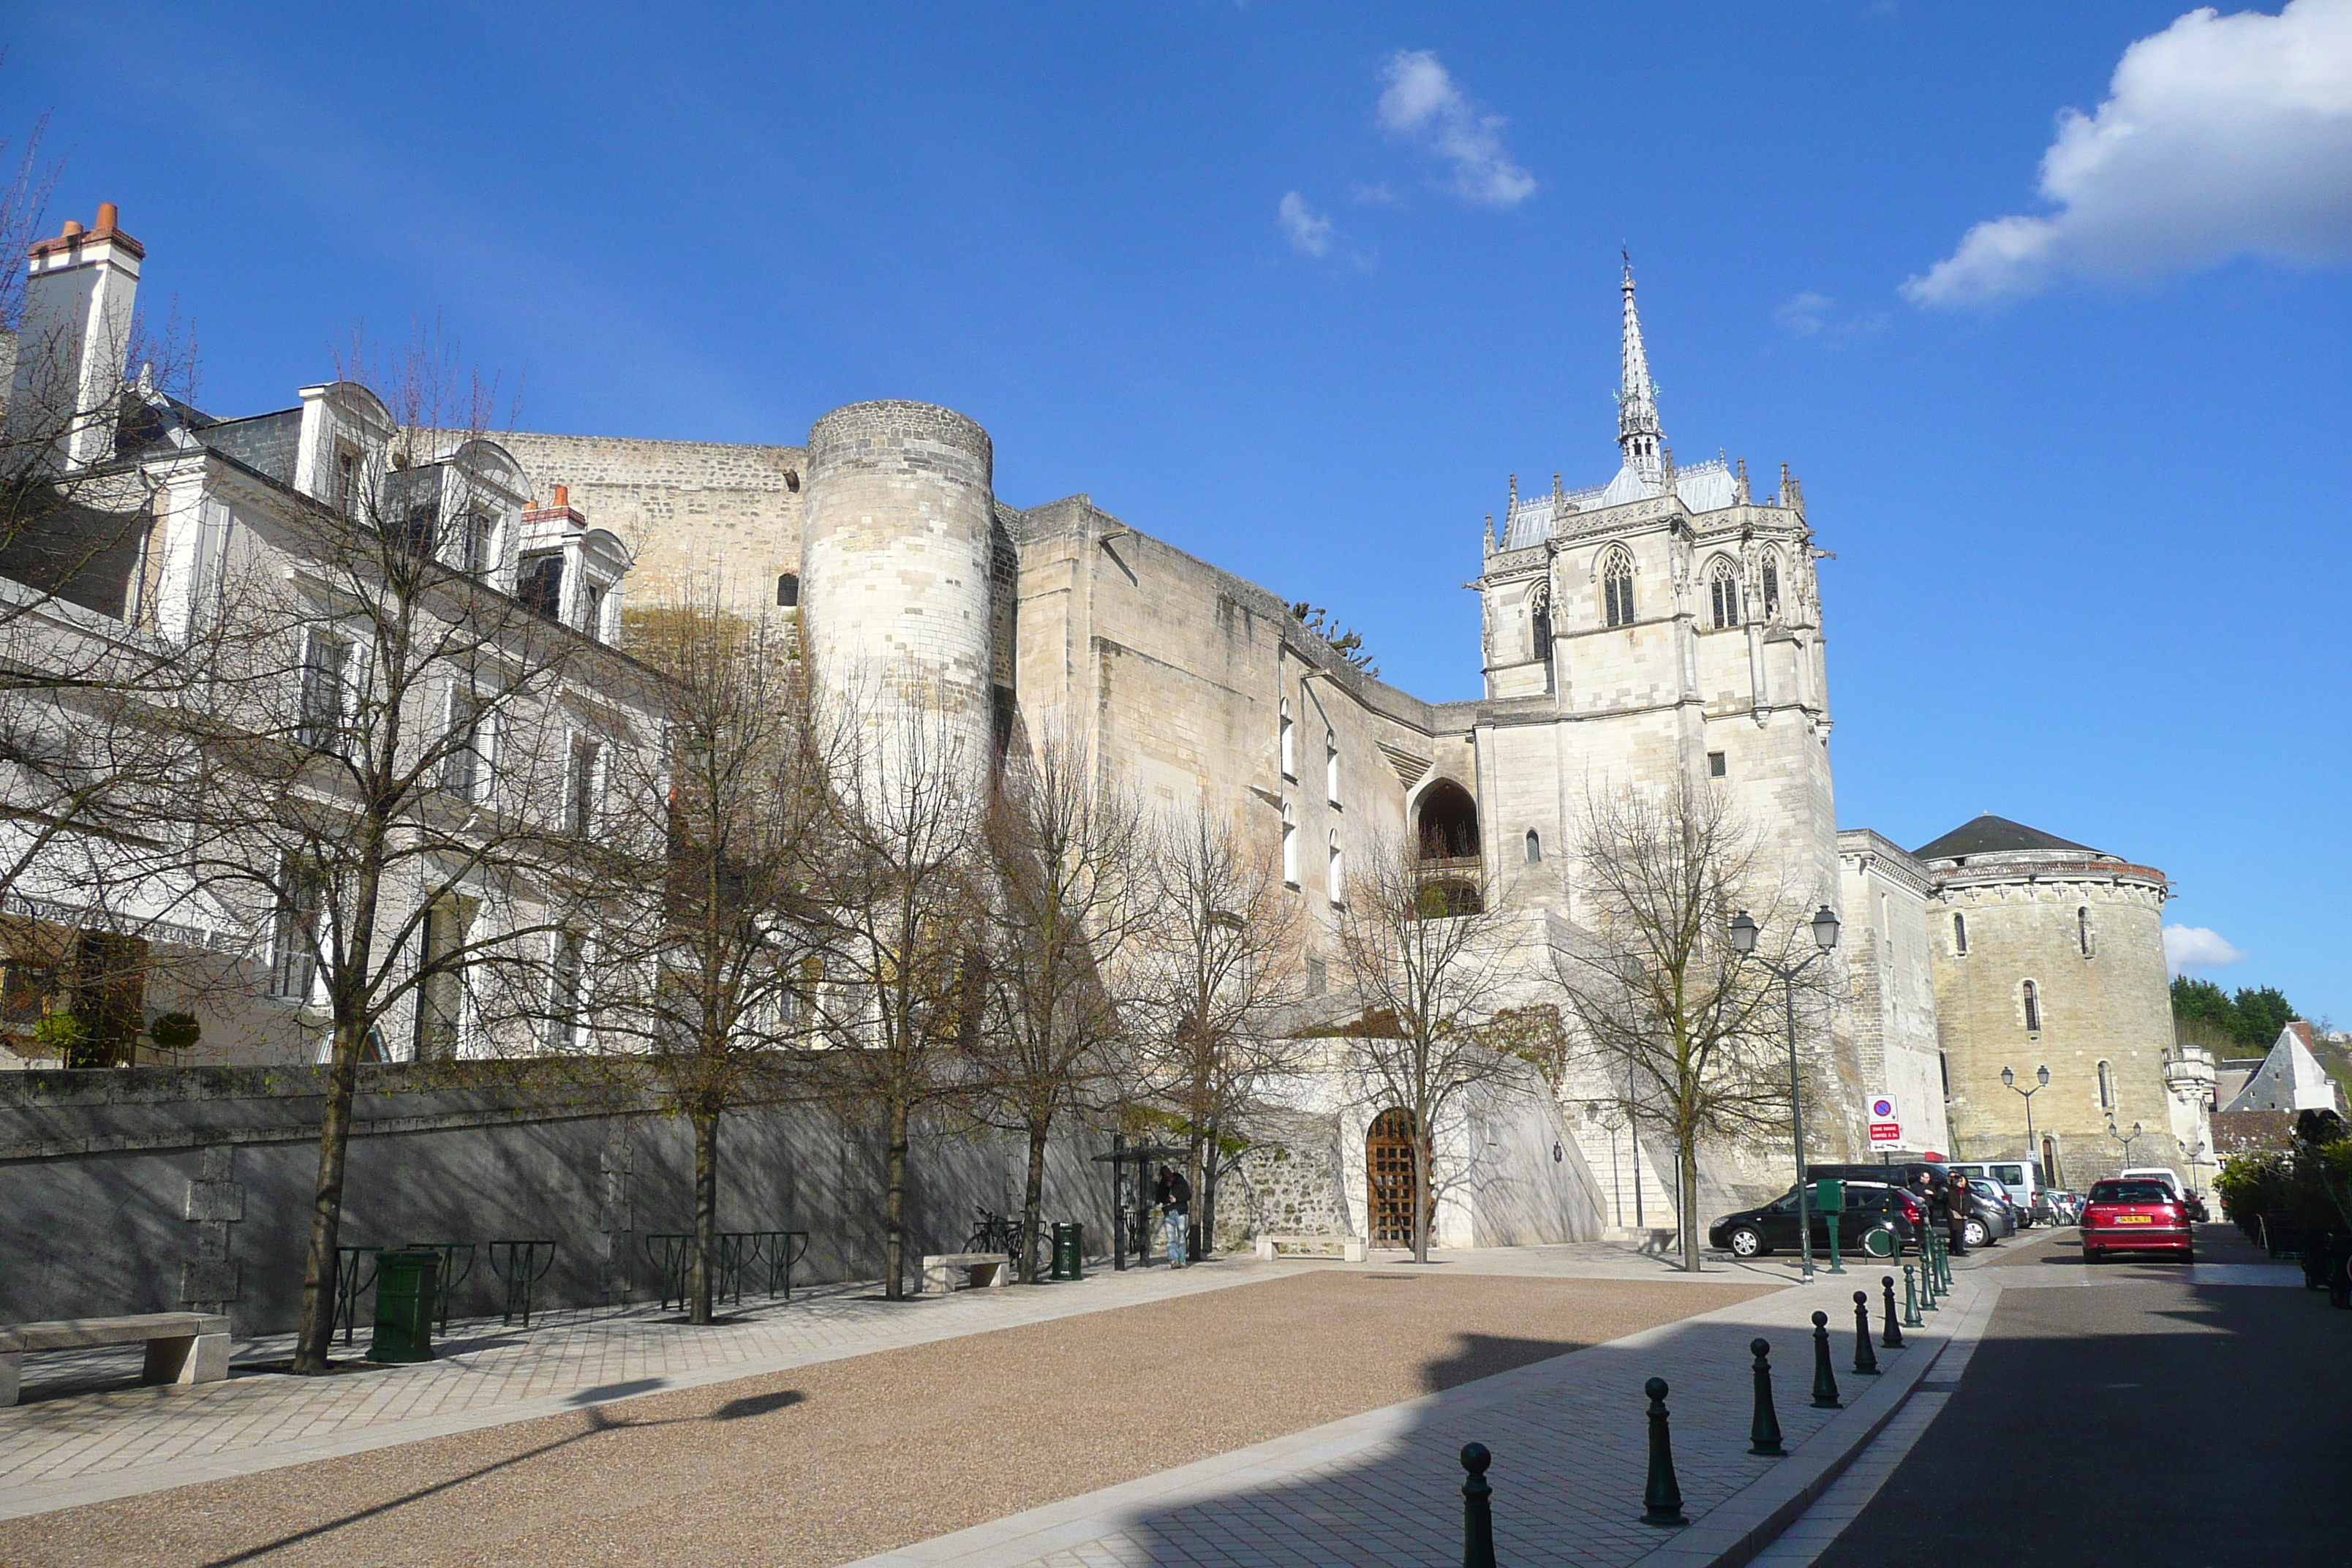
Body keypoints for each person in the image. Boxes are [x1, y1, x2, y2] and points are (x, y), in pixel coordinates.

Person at [1158, 1164, 1193, 1267]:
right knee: (1171, 1238)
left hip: (1180, 1211)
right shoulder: (1163, 1185)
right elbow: (1159, 1198)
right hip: (1169, 1212)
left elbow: (1188, 1195)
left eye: (1168, 1172)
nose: (1167, 1175)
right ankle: (1174, 1259)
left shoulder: (1181, 1182)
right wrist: (1166, 1193)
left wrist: (1177, 1199)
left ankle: (1182, 1260)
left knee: (1181, 1236)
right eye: (1165, 1174)